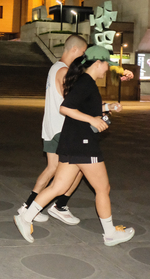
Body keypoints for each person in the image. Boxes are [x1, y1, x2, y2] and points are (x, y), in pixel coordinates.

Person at [14, 46, 135, 247]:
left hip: (72, 142)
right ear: (98, 63)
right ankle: (110, 233)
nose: (107, 69)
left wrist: (107, 108)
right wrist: (93, 120)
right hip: (83, 143)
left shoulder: (85, 82)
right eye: (107, 64)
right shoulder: (86, 83)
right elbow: (66, 108)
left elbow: (81, 106)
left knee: (58, 186)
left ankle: (26, 217)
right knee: (102, 188)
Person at [16, 35, 88, 225]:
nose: (82, 57)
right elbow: (71, 103)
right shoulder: (64, 71)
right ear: (74, 50)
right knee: (81, 166)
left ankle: (28, 206)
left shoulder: (54, 67)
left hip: (50, 126)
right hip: (61, 129)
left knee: (52, 168)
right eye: (82, 53)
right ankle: (60, 206)